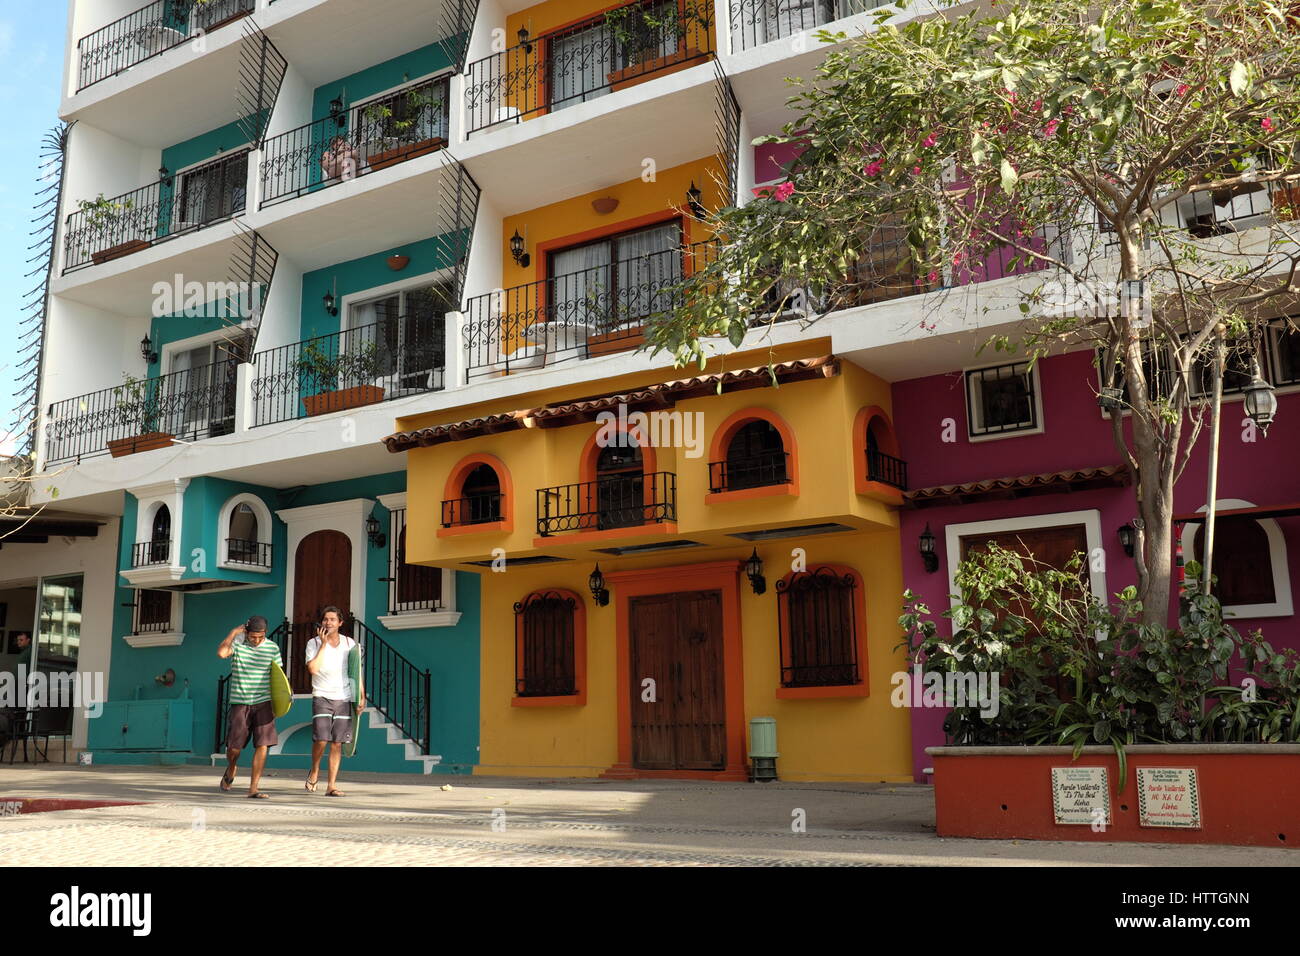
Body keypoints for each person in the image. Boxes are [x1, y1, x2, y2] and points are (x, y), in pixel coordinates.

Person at [217, 616, 281, 798]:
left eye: (260, 637)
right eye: (253, 637)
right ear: (247, 632)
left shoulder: (272, 648)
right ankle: (231, 767)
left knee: (263, 744)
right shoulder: (238, 644)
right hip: (241, 701)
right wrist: (233, 633)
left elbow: (278, 676)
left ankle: (254, 787)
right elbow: (222, 653)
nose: (257, 640)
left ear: (265, 633)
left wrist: (280, 701)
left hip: (264, 701)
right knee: (234, 747)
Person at [304, 607, 365, 797]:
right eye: (325, 619)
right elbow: (313, 669)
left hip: (344, 696)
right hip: (321, 695)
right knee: (322, 739)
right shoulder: (313, 643)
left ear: (340, 623)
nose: (328, 623)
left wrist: (361, 695)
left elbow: (356, 671)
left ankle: (331, 785)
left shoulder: (349, 643)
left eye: (332, 619)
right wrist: (323, 644)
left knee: (337, 742)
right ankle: (314, 770)